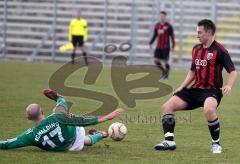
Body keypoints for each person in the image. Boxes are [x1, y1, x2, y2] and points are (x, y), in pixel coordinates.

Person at [154, 19, 237, 153]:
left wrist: (229, 85)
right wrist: (182, 87)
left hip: (212, 91)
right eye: (197, 32)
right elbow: (192, 71)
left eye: (200, 32)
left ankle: (216, 144)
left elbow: (232, 71)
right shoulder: (196, 49)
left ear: (209, 33)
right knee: (167, 106)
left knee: (209, 110)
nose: (197, 35)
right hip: (195, 89)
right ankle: (169, 142)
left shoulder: (220, 50)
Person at [0, 89, 124, 151]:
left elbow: (9, 143)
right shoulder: (57, 116)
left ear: (28, 118)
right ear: (42, 111)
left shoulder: (31, 136)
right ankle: (100, 134)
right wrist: (107, 117)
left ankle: (98, 135)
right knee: (71, 119)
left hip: (66, 148)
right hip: (74, 136)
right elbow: (83, 120)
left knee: (82, 138)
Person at [149, 11, 175, 80]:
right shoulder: (157, 25)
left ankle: (166, 76)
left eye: (163, 16)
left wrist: (173, 46)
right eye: (160, 16)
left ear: (165, 17)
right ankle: (163, 71)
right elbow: (155, 35)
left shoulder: (169, 26)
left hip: (166, 47)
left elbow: (172, 36)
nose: (161, 17)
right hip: (158, 47)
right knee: (156, 61)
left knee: (165, 61)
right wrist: (151, 42)